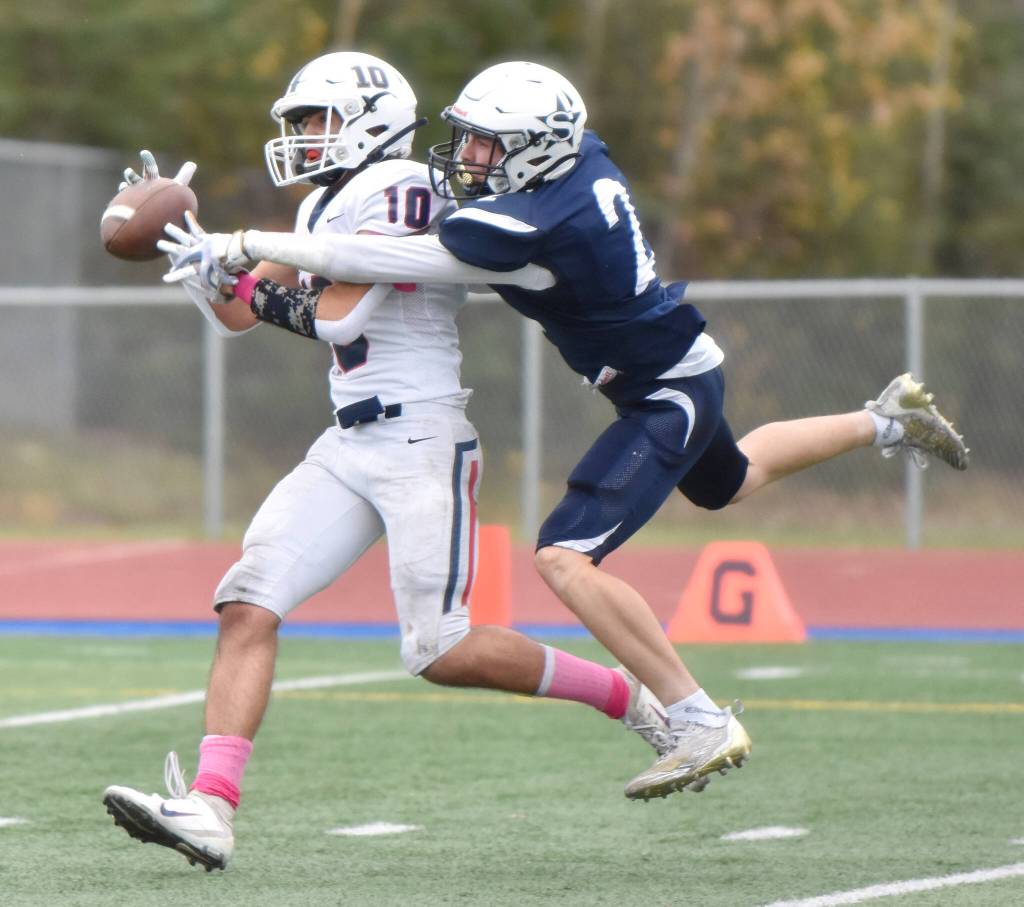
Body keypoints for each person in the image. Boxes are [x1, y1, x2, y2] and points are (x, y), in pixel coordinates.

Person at [167, 61, 969, 807]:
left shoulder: (530, 224)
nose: (469, 159)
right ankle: (886, 417)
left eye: (487, 144)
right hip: (671, 370)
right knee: (731, 480)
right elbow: (341, 260)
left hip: (665, 389)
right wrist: (222, 266)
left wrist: (245, 246)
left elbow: (366, 262)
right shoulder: (578, 160)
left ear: (533, 150)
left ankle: (695, 715)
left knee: (564, 554)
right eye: (471, 138)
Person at [101, 52, 678, 874]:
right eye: (297, 124)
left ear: (369, 119)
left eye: (313, 122)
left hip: (419, 440)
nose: (301, 138)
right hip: (348, 442)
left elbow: (335, 316)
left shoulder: (402, 183)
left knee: (440, 650)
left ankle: (632, 697)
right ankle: (210, 806)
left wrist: (240, 268)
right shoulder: (328, 198)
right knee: (247, 601)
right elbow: (238, 315)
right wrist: (184, 249)